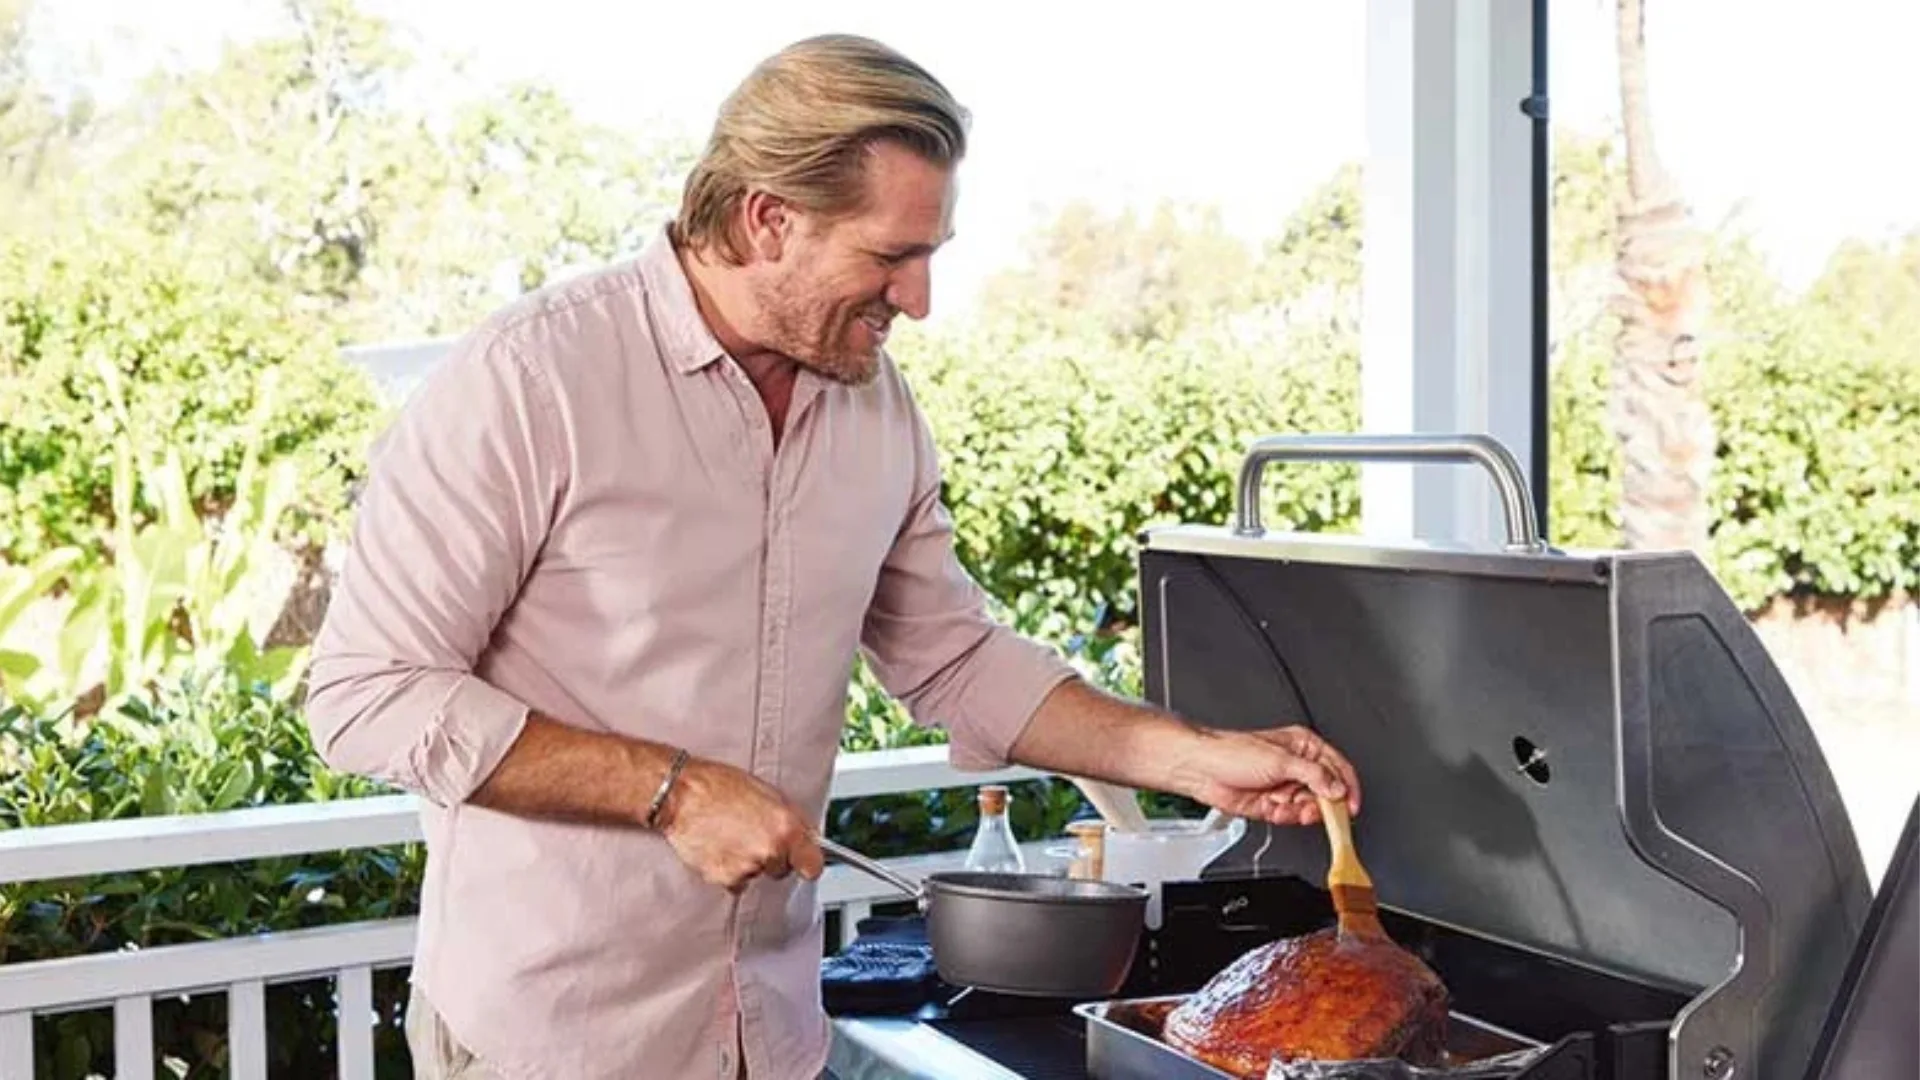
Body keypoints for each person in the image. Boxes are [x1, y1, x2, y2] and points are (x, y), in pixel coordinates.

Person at [305, 32, 1362, 1080]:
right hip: (551, 1039)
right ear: (768, 220)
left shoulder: (877, 412)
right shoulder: (531, 381)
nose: (919, 300)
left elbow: (953, 659)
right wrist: (672, 792)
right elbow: (367, 695)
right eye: (890, 256)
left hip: (773, 1030)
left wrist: (1192, 758)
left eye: (931, 256)